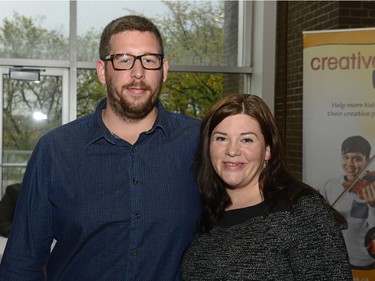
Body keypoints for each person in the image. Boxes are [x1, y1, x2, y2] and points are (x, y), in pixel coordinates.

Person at [0, 15, 201, 280]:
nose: (138, 73)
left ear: (163, 69)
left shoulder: (199, 141)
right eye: (124, 60)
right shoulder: (55, 150)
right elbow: (22, 263)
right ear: (102, 70)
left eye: (149, 60)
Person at [181, 94, 352, 280]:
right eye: (221, 139)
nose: (232, 151)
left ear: (268, 150)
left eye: (246, 140)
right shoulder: (204, 208)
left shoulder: (301, 210)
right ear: (208, 146)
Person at [319, 135, 375, 270]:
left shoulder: (371, 188)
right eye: (346, 157)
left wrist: (373, 206)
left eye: (357, 159)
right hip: (335, 258)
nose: (349, 164)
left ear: (367, 161)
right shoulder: (330, 186)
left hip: (363, 261)